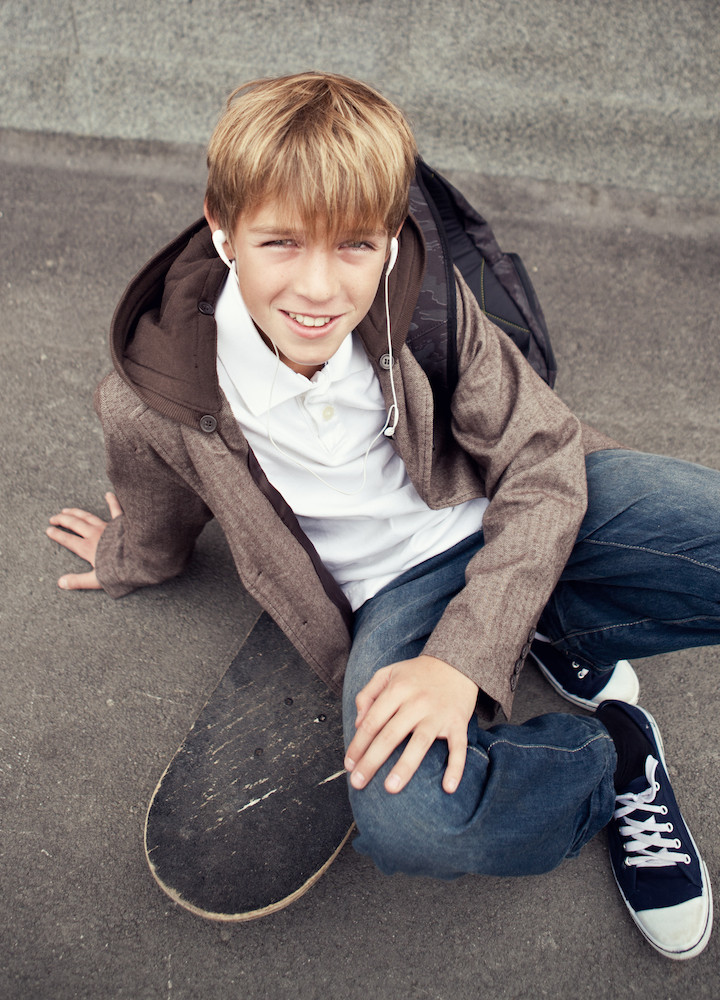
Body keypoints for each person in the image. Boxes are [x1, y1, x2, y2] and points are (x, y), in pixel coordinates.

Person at [46, 71, 717, 960]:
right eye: (281, 241)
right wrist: (133, 556)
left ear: (391, 235)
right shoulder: (155, 393)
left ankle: (555, 632)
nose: (320, 289)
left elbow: (544, 458)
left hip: (509, 505)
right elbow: (161, 502)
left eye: (355, 245)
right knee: (416, 826)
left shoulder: (423, 296)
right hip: (392, 594)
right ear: (222, 224)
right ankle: (612, 763)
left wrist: (467, 656)